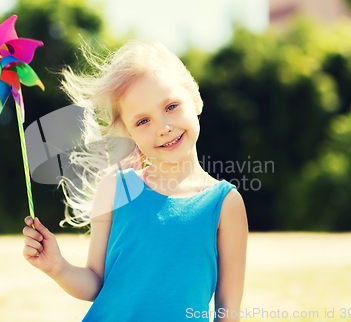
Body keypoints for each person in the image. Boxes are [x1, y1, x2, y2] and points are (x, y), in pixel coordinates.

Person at [22, 38, 248, 321]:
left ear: (195, 99)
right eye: (143, 121)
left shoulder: (225, 204)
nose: (163, 127)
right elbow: (95, 282)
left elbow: (228, 313)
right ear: (128, 132)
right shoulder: (117, 188)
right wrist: (57, 266)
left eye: (171, 106)